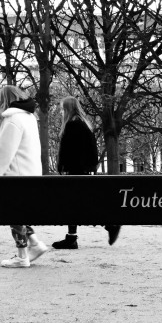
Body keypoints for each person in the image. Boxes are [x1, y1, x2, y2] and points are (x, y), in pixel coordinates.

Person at [0, 85, 50, 268]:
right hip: (29, 173)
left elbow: (3, 155)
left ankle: (22, 256)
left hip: (16, 176)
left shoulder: (12, 119)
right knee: (17, 213)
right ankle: (35, 244)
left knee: (13, 213)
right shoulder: (28, 117)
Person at [51, 96, 120, 249]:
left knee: (75, 204)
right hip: (82, 170)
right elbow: (90, 150)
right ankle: (76, 236)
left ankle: (107, 225)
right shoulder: (83, 124)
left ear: (67, 109)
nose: (62, 112)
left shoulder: (72, 125)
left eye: (63, 109)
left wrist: (62, 165)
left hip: (76, 170)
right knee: (79, 203)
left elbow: (68, 149)